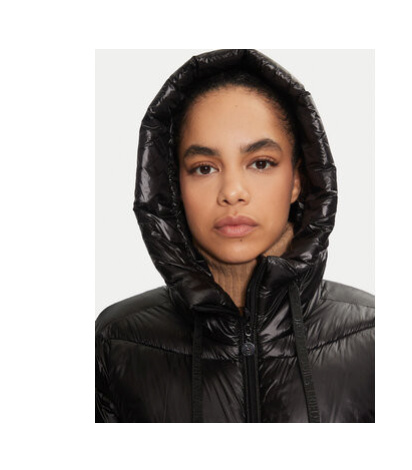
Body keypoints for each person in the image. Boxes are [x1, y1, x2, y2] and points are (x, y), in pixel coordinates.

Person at [95, 49, 375, 423]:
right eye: (204, 168)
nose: (232, 191)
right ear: (175, 186)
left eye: (260, 163)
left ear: (297, 179)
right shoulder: (116, 343)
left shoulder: (374, 337)